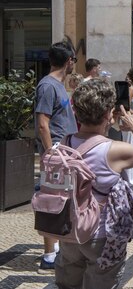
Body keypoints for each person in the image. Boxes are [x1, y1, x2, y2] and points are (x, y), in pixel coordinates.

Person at [49, 79, 133, 289]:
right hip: (100, 238)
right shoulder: (112, 150)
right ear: (108, 114)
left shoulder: (65, 142)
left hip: (69, 232)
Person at [35, 40, 79, 272]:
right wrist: (51, 152)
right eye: (74, 60)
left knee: (63, 200)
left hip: (64, 153)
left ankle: (58, 247)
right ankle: (49, 254)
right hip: (55, 155)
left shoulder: (59, 85)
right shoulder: (48, 86)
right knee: (51, 200)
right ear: (69, 61)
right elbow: (43, 123)